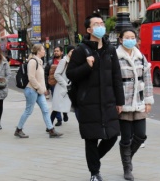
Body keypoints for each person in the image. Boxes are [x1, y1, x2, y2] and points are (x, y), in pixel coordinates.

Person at [66, 13, 125, 181]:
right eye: (96, 24)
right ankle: (95, 173)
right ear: (89, 29)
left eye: (102, 23)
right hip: (88, 101)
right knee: (91, 138)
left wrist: (120, 101)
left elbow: (116, 77)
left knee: (113, 135)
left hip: (108, 100)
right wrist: (87, 66)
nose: (101, 26)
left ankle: (94, 160)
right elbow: (71, 74)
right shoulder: (80, 50)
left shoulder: (110, 49)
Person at [116, 28, 154, 180]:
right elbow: (113, 82)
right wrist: (116, 102)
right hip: (123, 102)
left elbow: (147, 79)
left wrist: (148, 100)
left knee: (140, 135)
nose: (130, 40)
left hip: (138, 101)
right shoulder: (116, 57)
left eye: (133, 37)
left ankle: (127, 159)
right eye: (127, 37)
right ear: (121, 39)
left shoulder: (140, 57)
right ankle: (127, 168)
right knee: (126, 138)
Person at [14, 44, 63, 138]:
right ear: (38, 51)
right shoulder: (33, 61)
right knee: (28, 110)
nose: (44, 51)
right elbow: (31, 77)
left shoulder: (39, 62)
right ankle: (18, 129)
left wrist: (43, 89)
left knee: (45, 110)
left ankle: (51, 130)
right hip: (32, 90)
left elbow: (40, 78)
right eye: (43, 49)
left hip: (38, 91)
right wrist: (40, 88)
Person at [50, 45, 75, 129]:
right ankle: (49, 125)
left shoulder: (73, 61)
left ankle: (65, 115)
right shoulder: (64, 61)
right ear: (68, 52)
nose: (73, 53)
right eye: (72, 51)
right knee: (57, 107)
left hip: (69, 88)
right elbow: (56, 74)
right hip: (62, 87)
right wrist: (65, 84)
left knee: (64, 105)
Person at [45, 46, 66, 126]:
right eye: (55, 51)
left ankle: (65, 113)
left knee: (64, 101)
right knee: (56, 102)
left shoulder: (65, 61)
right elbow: (46, 74)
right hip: (54, 85)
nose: (56, 52)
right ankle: (59, 119)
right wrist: (47, 87)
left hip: (63, 84)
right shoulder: (50, 62)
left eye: (57, 51)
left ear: (61, 52)